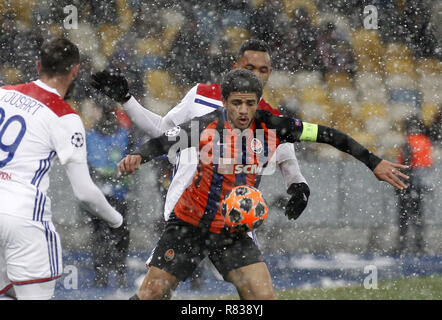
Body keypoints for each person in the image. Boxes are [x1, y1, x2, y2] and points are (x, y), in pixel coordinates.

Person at [117, 69, 408, 300]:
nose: (243, 110)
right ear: (225, 101)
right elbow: (164, 140)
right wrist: (138, 156)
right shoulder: (206, 125)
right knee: (153, 294)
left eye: (249, 103)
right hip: (189, 224)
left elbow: (329, 135)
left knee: (263, 297)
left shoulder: (274, 126)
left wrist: (373, 162)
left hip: (232, 229)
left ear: (257, 102)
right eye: (236, 103)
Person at [91, 39, 311, 226]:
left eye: (262, 70)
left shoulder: (272, 119)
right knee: (163, 278)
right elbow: (163, 131)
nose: (256, 75)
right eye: (249, 68)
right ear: (235, 67)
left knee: (255, 278)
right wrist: (127, 100)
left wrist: (300, 190)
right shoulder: (201, 95)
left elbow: (290, 165)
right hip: (185, 212)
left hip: (233, 220)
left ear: (270, 73)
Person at [0, 38, 123, 300]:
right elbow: (85, 192)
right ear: (75, 70)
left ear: (37, 65)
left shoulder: (4, 92)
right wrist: (116, 221)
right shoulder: (65, 116)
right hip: (24, 218)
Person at [84, 104, 132, 288]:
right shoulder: (89, 136)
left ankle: (118, 273)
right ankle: (101, 273)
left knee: (118, 234)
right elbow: (86, 165)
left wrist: (116, 175)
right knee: (100, 234)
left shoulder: (124, 135)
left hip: (118, 194)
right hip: (98, 195)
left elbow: (131, 161)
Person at [395, 115, 433, 256]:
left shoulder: (408, 142)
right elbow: (428, 164)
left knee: (404, 217)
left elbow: (405, 164)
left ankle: (403, 245)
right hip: (420, 184)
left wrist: (400, 184)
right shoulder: (425, 141)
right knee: (418, 216)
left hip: (408, 184)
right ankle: (420, 245)